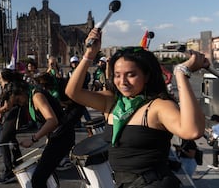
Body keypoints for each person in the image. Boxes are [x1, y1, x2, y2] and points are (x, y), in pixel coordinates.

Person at [65, 27, 207, 188]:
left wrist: (181, 73)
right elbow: (73, 92)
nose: (122, 81)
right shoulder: (113, 102)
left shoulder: (157, 107)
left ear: (147, 75)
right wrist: (89, 54)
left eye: (131, 74)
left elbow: (193, 131)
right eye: (117, 75)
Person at [20, 72, 75, 188]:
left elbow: (52, 121)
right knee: (44, 176)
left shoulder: (37, 96)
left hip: (62, 136)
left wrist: (33, 139)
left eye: (17, 99)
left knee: (37, 180)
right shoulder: (33, 96)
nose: (19, 103)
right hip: (59, 136)